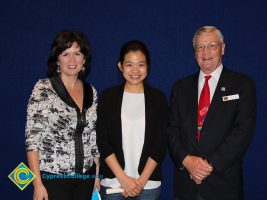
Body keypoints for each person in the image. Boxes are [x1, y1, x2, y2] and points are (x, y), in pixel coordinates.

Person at [167, 26, 256, 200]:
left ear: (223, 49)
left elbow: (243, 132)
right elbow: (171, 130)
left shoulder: (242, 84)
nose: (205, 52)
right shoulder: (180, 87)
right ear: (195, 53)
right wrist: (186, 160)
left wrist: (207, 165)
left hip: (224, 184)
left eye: (212, 45)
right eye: (200, 47)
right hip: (187, 186)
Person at [25, 30, 100, 200]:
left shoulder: (91, 91)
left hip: (85, 178)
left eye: (77, 53)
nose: (72, 60)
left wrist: (96, 174)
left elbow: (94, 137)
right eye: (65, 54)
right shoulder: (44, 89)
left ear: (84, 59)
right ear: (57, 59)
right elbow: (32, 140)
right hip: (53, 178)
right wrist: (37, 184)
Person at [97, 40, 168, 200]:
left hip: (148, 185)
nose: (135, 70)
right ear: (120, 66)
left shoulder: (158, 99)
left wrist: (140, 182)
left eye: (141, 65)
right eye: (129, 65)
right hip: (114, 183)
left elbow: (161, 143)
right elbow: (102, 140)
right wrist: (123, 178)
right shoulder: (108, 97)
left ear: (147, 66)